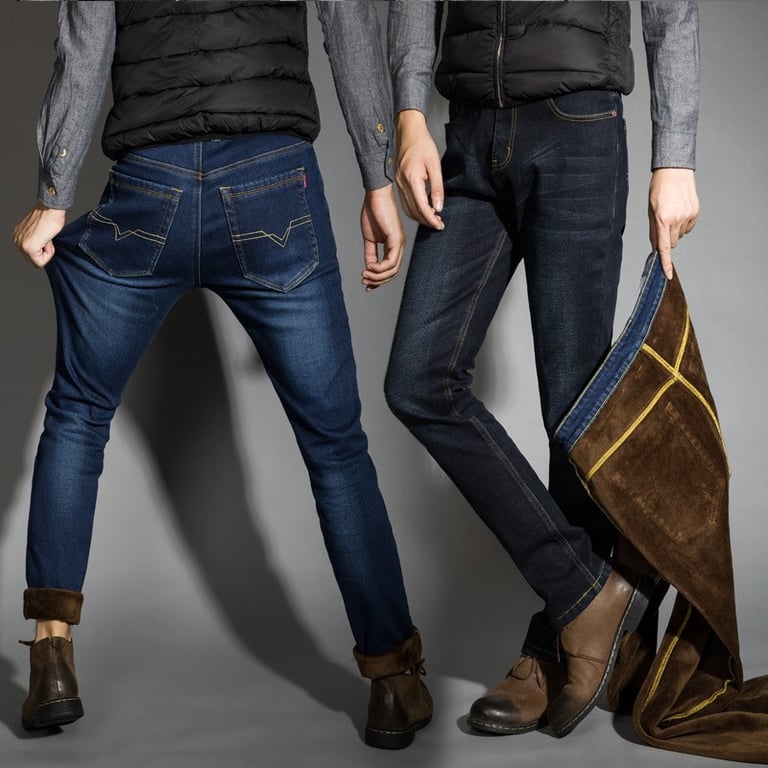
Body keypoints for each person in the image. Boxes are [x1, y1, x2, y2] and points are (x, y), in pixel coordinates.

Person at [12, 1, 432, 749]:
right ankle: (394, 682)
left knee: (78, 413)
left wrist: (54, 195)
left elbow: (85, 40)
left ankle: (51, 660)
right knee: (335, 445)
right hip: (273, 182)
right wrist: (378, 180)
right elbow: (347, 23)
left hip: (148, 185)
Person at [385, 0, 700, 738]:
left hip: (576, 125)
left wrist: (676, 153)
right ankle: (588, 595)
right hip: (468, 132)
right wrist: (409, 117)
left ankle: (559, 648)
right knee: (418, 380)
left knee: (572, 410)